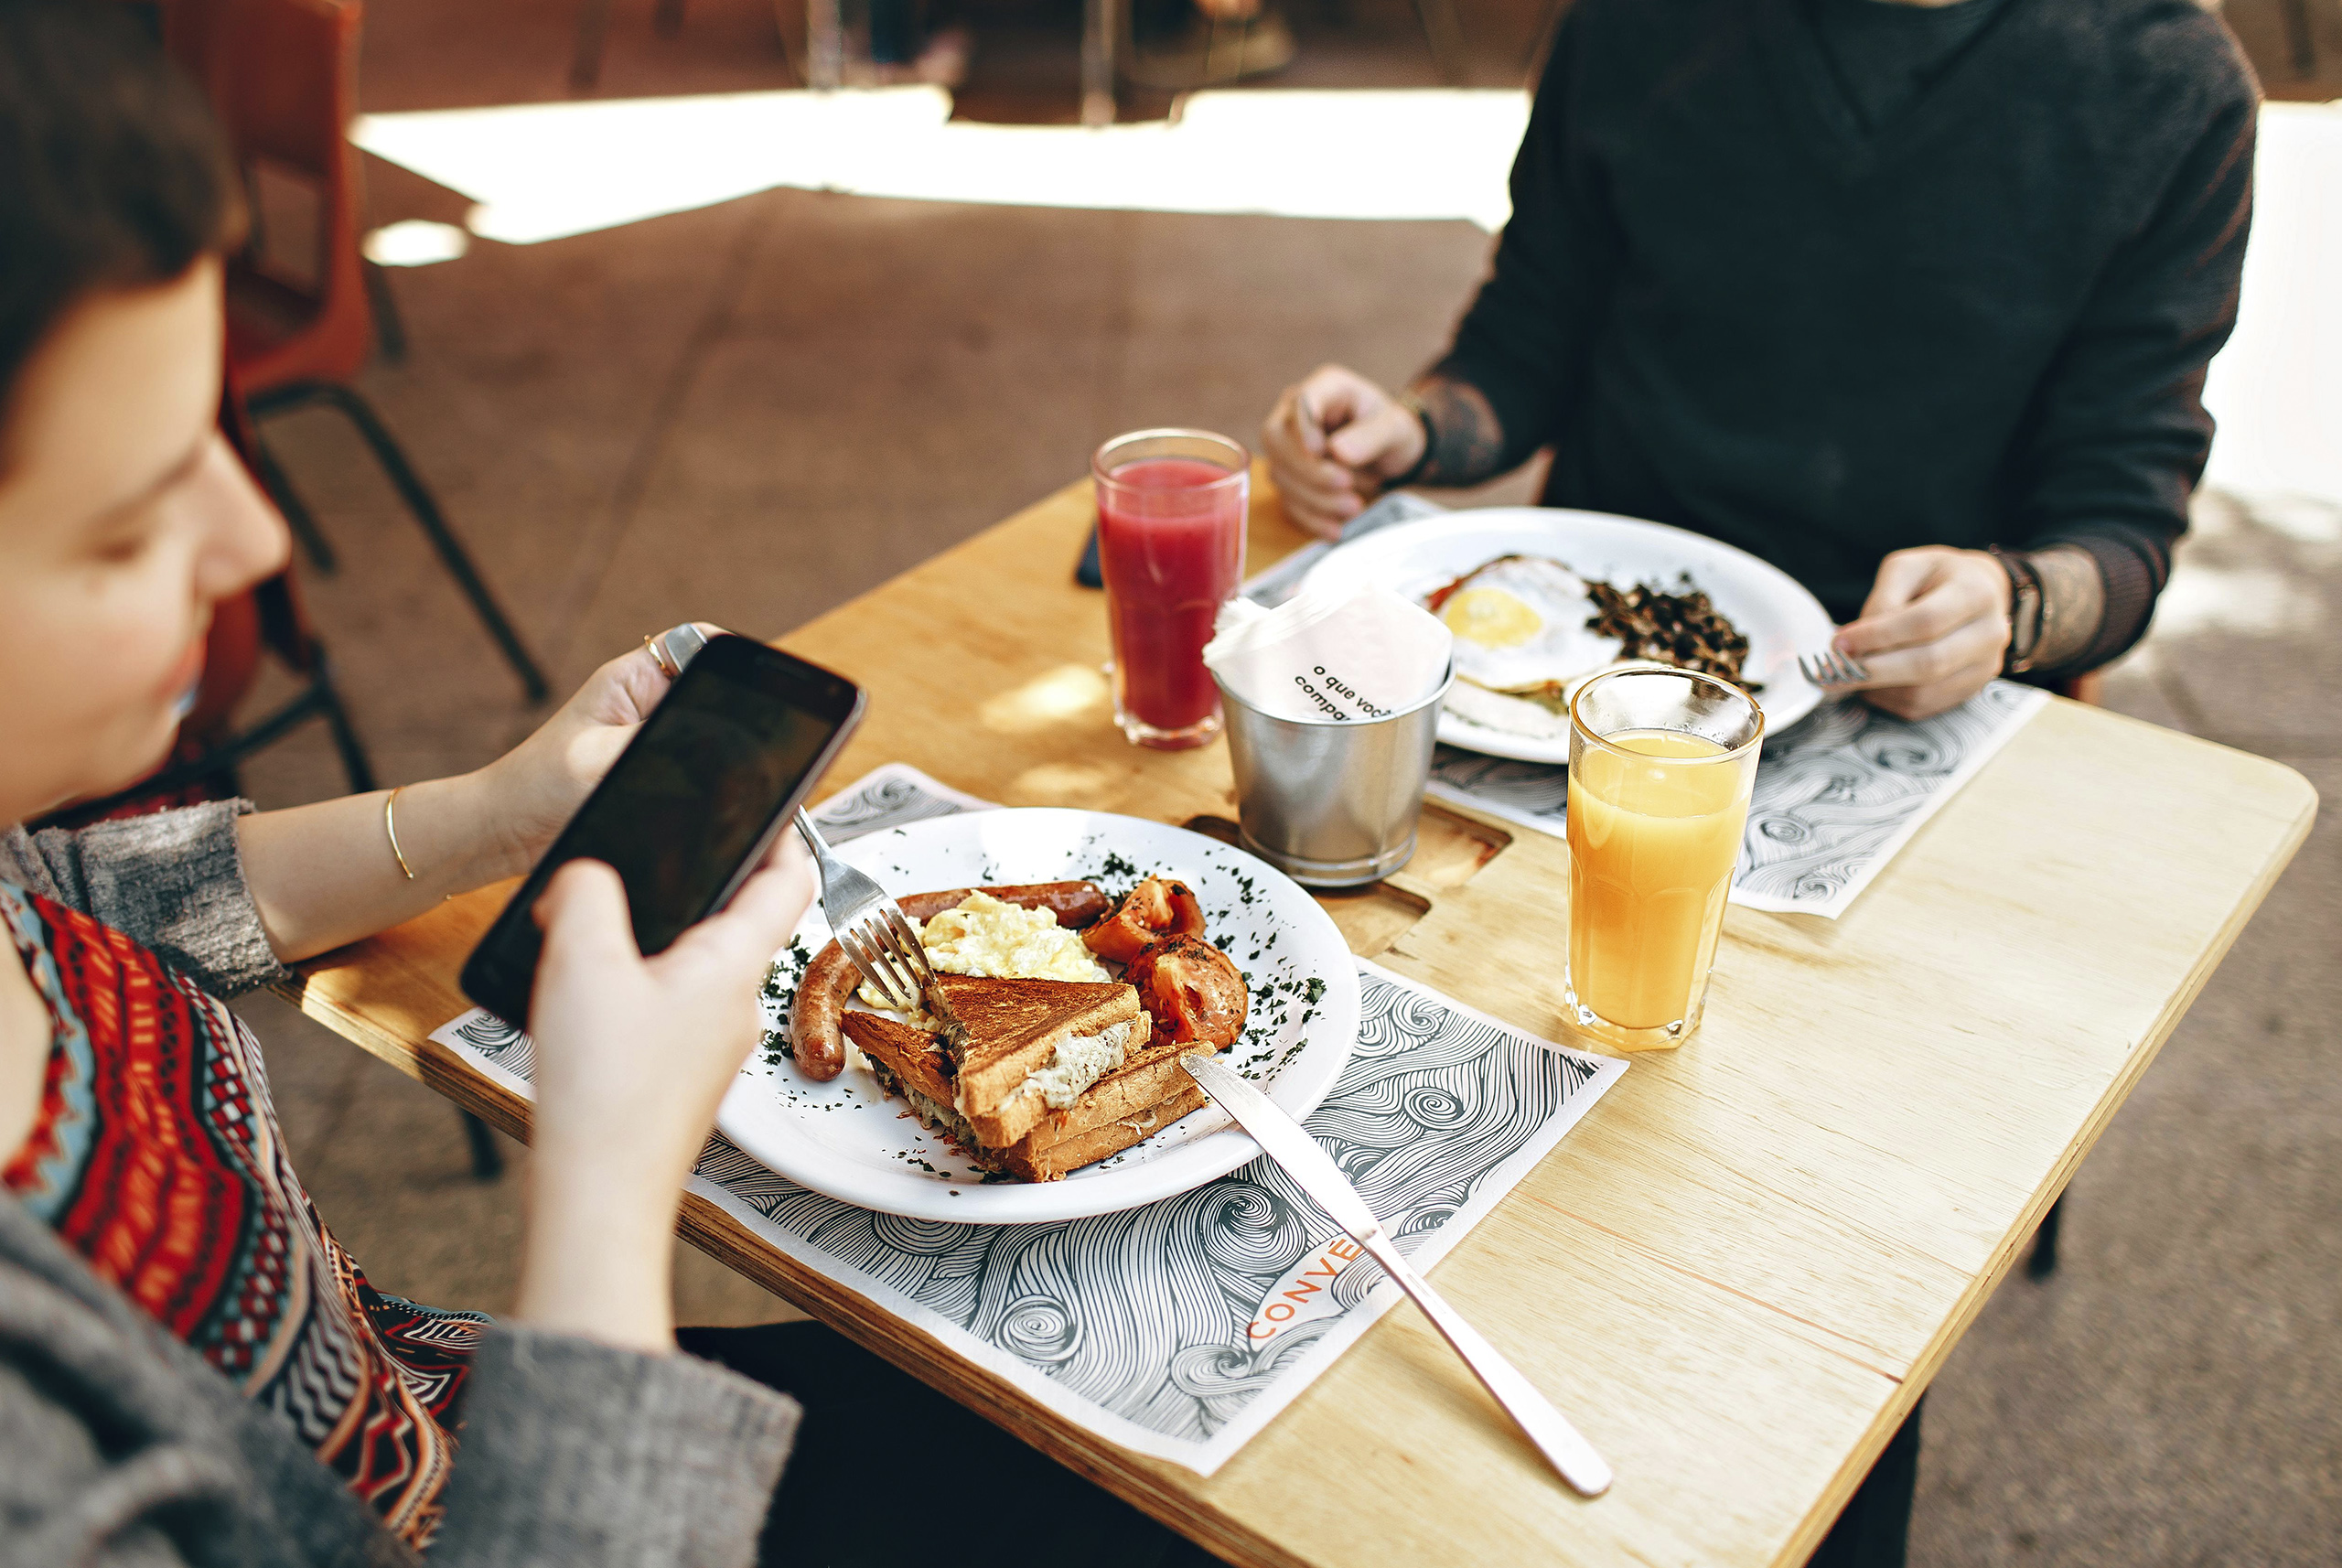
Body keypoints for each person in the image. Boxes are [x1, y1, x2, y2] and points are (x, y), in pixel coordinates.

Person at [0, 8, 1210, 1565]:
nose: (254, 544)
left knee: (1133, 1443)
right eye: (129, 521)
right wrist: (606, 1175)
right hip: (554, 1492)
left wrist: (507, 810)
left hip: (456, 1394)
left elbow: (89, 894)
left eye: (217, 439)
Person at [1262, 0, 2257, 723]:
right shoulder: (1630, 25)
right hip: (1578, 659)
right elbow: (1525, 340)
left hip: (1896, 692)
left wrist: (2013, 604)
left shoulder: (2171, 87)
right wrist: (1418, 427)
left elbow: (2121, 530)